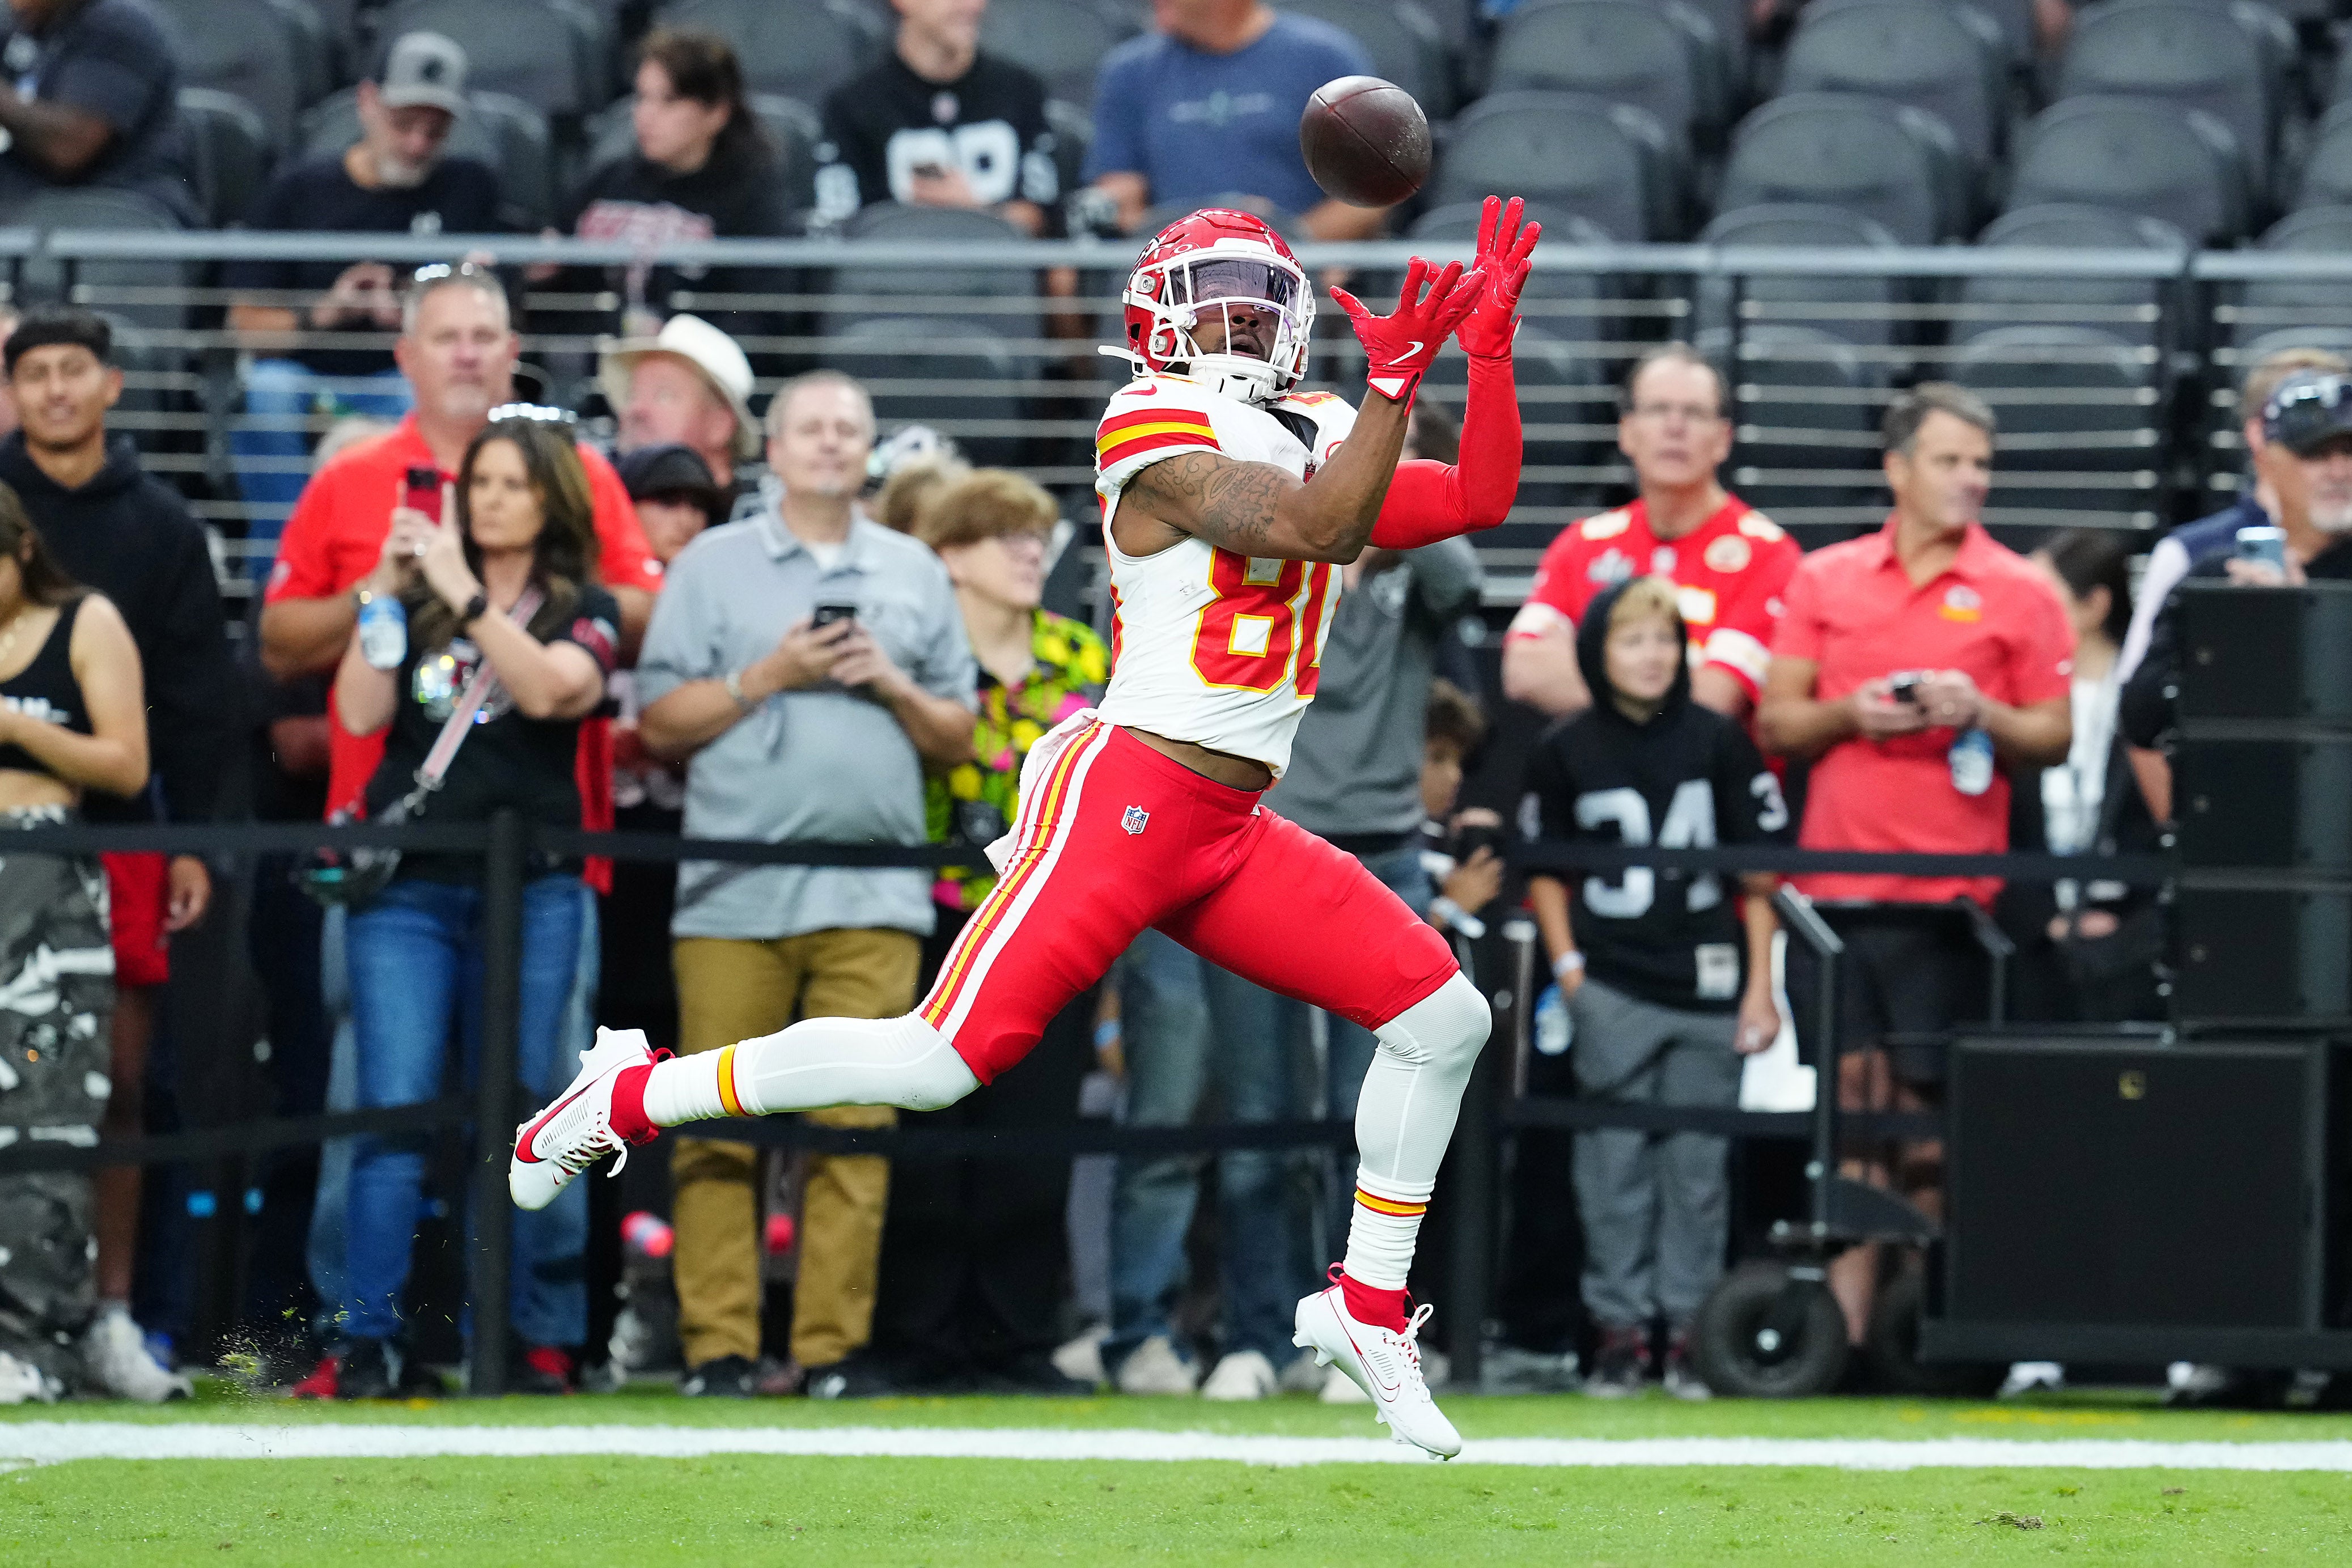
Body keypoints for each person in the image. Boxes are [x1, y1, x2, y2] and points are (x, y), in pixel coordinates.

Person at [516, 196, 1540, 1457]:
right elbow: (1312, 525)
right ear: (1152, 320)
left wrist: (1482, 357)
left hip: (1226, 817)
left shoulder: (1329, 420)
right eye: (1211, 295)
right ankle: (633, 1089)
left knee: (1443, 1017)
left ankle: (1367, 1303)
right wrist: (1393, 382)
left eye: (1258, 296)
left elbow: (1479, 495)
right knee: (940, 1060)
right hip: (1126, 794)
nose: (1239, 318)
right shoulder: (1147, 420)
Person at [1114, 392, 1482, 1406]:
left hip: (1384, 853)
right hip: (1263, 847)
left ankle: (1360, 1335)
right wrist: (1324, 507)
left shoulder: (1412, 575)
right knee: (1256, 1108)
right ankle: (1253, 1332)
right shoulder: (1263, 558)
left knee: (1369, 1115)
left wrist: (1390, 487)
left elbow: (1468, 567)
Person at [627, 371, 978, 1400]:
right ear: (769, 450)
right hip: (732, 893)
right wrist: (765, 676)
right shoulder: (710, 566)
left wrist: (890, 681)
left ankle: (828, 1354)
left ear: (868, 453)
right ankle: (718, 1352)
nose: (829, 445)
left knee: (856, 1127)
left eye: (847, 431)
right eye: (809, 429)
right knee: (712, 1124)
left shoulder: (915, 571)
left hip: (873, 900)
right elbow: (658, 723)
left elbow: (959, 735)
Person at [1757, 383, 2073, 1357]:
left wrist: (1975, 710)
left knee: (1930, 1126)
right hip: (1834, 900)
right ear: (1896, 470)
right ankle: (1843, 1338)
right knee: (1848, 1119)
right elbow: (1776, 720)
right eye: (1949, 460)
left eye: (1979, 462)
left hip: (1952, 906)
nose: (1969, 479)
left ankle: (1926, 1331)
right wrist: (1856, 714)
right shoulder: (1824, 578)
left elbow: (2052, 737)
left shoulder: (2020, 588)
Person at [329, 416, 622, 1399]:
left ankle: (523, 1333)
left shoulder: (587, 607)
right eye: (479, 482)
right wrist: (381, 587)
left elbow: (548, 692)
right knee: (393, 1109)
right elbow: (363, 714)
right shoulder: (415, 600)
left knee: (534, 1107)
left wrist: (460, 590)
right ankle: (366, 1341)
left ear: (550, 499)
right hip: (409, 885)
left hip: (534, 886)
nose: (490, 498)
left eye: (511, 483)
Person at [0, 307, 232, 1396]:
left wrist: (197, 845)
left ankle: (109, 1314)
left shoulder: (161, 529)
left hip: (125, 838)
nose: (54, 391)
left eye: (72, 370)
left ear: (113, 385)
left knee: (119, 1083)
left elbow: (196, 711)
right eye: (34, 373)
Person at [861, 469, 1108, 1393]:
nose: (1027, 553)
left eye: (1034, 537)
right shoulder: (919, 655)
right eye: (1001, 536)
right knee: (924, 1135)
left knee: (1031, 1138)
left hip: (1049, 925)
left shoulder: (1083, 657)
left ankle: (1015, 1340)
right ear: (946, 557)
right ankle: (917, 1337)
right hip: (931, 919)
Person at [1523, 575, 1789, 1402]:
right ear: (1599, 652)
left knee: (1699, 1172)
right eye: (1633, 639)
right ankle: (1619, 1331)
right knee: (1611, 1169)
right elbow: (1544, 875)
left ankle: (1689, 1333)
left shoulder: (1718, 739)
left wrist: (1758, 987)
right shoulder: (1564, 747)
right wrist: (1570, 972)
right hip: (1612, 984)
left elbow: (1759, 876)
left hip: (1707, 985)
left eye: (1664, 639)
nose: (1652, 655)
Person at [223, 33, 505, 532]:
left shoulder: (470, 187)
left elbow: (501, 294)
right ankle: (287, 555)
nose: (417, 144)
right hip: (308, 375)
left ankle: (427, 555)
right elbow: (245, 327)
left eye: (435, 131)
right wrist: (328, 311)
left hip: (408, 375)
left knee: (441, 396)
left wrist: (417, 312)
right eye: (403, 124)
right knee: (267, 394)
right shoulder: (298, 191)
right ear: (368, 103)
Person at [0, 484, 152, 1402]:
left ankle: (36, 1341)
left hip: (47, 881)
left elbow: (128, 762)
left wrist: (13, 725)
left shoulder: (86, 620)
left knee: (46, 1107)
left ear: (21, 550)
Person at [1503, 344, 1802, 723]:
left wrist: (1597, 678)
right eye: (1657, 409)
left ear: (1723, 439)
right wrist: (1658, 690)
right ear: (1626, 432)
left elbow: (1715, 698)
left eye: (1693, 413)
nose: (1674, 427)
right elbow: (1523, 669)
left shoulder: (1769, 555)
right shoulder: (1582, 544)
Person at [2122, 366, 2352, 811]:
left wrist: (2300, 622)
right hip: (2249, 825)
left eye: (2349, 452)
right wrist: (2234, 633)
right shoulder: (2218, 575)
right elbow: (2141, 711)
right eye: (2316, 454)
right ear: (2267, 460)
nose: (2339, 471)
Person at [559, 29, 791, 338]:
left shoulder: (753, 197)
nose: (645, 115)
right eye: (642, 97)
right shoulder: (610, 180)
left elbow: (759, 312)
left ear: (717, 113)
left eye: (668, 101)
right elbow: (559, 270)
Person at [1084, 0, 1382, 240]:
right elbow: (1119, 190)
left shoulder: (1327, 59)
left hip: (1300, 268)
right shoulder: (1129, 72)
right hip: (1174, 270)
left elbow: (1372, 188)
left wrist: (1294, 247)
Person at [2025, 531, 2160, 1026]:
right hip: (2032, 936)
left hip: (2127, 940)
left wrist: (2126, 921)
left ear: (2094, 606)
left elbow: (2160, 826)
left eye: (2042, 600)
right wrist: (2042, 918)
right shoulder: (2013, 700)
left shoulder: (2144, 703)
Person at [815, 0, 1059, 235]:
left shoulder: (1022, 91)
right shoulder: (851, 105)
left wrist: (975, 212)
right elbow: (841, 229)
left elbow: (1045, 220)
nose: (972, 5)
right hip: (894, 275)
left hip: (998, 275)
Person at [0, 0, 193, 222]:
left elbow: (71, 146)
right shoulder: (28, 28)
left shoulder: (119, 23)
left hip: (119, 218)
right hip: (40, 214)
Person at [597, 314, 761, 513]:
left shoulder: (752, 522)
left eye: (664, 396)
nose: (636, 409)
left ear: (720, 425)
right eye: (632, 395)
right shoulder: (596, 510)